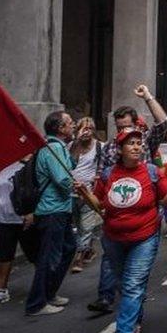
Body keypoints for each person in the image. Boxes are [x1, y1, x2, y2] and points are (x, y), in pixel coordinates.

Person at [88, 85, 167, 315]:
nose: (122, 131)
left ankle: (131, 317)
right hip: (115, 220)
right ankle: (106, 297)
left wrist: (148, 98)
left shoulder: (144, 141)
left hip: (144, 221)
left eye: (126, 126)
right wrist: (97, 202)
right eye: (119, 127)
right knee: (111, 261)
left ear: (135, 125)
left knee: (134, 277)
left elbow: (163, 123)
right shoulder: (109, 149)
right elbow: (102, 177)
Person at [92, 127, 167, 333]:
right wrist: (84, 193)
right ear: (120, 149)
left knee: (133, 284)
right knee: (122, 283)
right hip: (113, 238)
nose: (136, 147)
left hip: (144, 237)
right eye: (131, 143)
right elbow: (98, 204)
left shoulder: (153, 172)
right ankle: (135, 318)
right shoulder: (108, 174)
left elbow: (166, 203)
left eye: (139, 143)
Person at [25, 111, 77, 317]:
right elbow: (62, 179)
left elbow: (70, 165)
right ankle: (36, 303)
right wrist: (73, 185)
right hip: (52, 210)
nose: (73, 126)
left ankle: (49, 292)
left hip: (60, 209)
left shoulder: (58, 147)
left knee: (68, 248)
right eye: (70, 123)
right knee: (49, 257)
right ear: (60, 128)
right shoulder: (53, 147)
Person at [0, 158, 40, 307]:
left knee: (35, 255)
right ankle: (1, 290)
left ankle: (44, 288)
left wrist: (33, 213)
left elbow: (38, 190)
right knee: (2, 256)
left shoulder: (30, 165)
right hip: (1, 217)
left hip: (24, 219)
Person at [69, 117, 104, 273]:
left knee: (87, 226)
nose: (87, 132)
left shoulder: (99, 147)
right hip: (70, 193)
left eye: (90, 128)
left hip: (88, 193)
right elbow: (69, 165)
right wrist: (76, 142)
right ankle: (88, 249)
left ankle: (79, 257)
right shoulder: (70, 146)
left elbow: (102, 169)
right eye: (84, 128)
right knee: (77, 225)